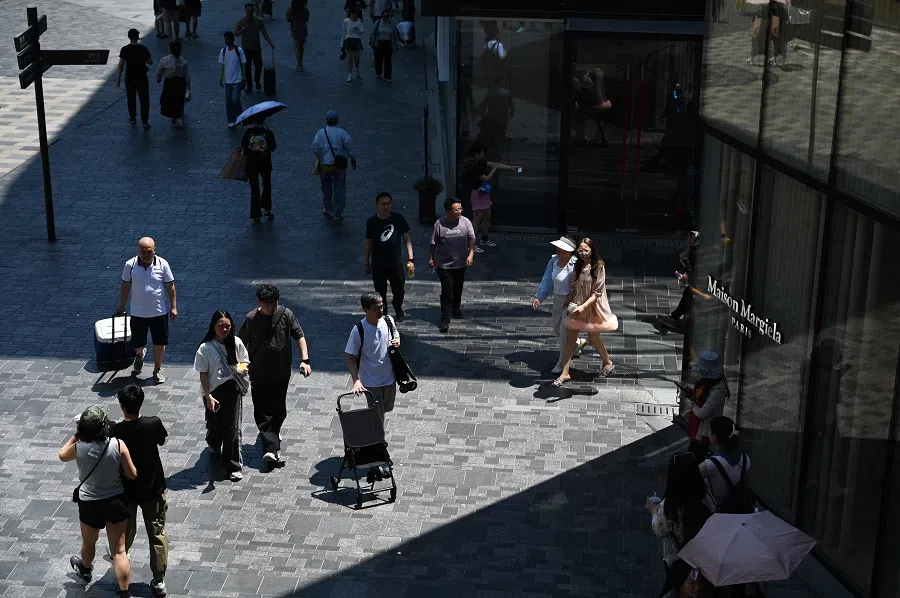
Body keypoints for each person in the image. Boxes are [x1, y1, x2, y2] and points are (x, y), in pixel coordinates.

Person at [59, 406, 138, 598]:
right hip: (116, 501)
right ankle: (124, 591)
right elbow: (132, 474)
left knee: (89, 543)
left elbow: (62, 455)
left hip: (90, 503)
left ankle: (85, 570)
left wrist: (76, 435)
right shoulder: (117, 444)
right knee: (119, 551)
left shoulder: (79, 447)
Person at [237, 284, 311, 465]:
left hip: (281, 373)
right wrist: (240, 368)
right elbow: (239, 344)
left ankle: (272, 436)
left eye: (274, 303)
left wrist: (305, 360)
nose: (271, 307)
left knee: (279, 410)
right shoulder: (251, 319)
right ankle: (270, 449)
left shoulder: (285, 314)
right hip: (259, 373)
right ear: (259, 302)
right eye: (266, 304)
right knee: (262, 411)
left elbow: (299, 335)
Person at [113, 386, 169, 598]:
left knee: (123, 537)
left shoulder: (116, 431)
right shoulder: (153, 423)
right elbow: (161, 440)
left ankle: (122, 575)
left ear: (122, 406)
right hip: (153, 489)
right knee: (156, 533)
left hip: (126, 491)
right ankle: (159, 580)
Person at [552, 238, 617, 386]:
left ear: (592, 250)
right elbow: (574, 285)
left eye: (586, 250)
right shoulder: (577, 265)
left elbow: (597, 293)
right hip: (577, 306)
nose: (583, 253)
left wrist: (584, 306)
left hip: (591, 308)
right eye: (580, 250)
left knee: (594, 338)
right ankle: (565, 372)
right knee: (569, 340)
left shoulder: (598, 267)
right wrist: (569, 299)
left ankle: (607, 361)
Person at [194, 310, 250, 482]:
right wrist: (208, 395)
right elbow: (203, 374)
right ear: (213, 327)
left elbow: (245, 363)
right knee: (214, 423)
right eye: (220, 326)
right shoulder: (206, 348)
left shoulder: (237, 343)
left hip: (232, 390)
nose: (224, 329)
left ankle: (233, 465)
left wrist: (236, 368)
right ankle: (213, 443)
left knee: (232, 428)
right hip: (213, 392)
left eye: (227, 326)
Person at [117, 237, 177, 385]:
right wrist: (122, 306)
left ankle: (157, 369)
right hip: (138, 313)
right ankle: (140, 354)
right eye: (142, 251)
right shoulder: (130, 265)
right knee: (138, 343)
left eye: (148, 251)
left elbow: (170, 286)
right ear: (138, 251)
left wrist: (173, 306)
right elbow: (125, 286)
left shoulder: (163, 264)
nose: (145, 254)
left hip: (159, 312)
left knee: (159, 342)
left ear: (154, 250)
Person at [646, 454, 714, 570]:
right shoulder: (706, 496)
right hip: (703, 555)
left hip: (679, 560)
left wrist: (652, 510)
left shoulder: (669, 505)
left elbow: (659, 530)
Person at [531, 236, 587, 375]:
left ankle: (561, 363)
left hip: (571, 302)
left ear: (569, 251)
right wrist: (539, 296)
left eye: (562, 248)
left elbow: (581, 285)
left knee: (563, 334)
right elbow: (547, 279)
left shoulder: (576, 264)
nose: (558, 250)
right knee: (556, 328)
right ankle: (577, 342)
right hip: (557, 299)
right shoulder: (553, 261)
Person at [345, 292, 401, 427]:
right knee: (377, 414)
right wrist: (356, 380)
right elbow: (351, 358)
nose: (380, 310)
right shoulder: (358, 330)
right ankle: (378, 441)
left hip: (389, 379)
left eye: (382, 306)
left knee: (386, 409)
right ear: (365, 310)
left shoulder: (388, 320)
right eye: (376, 308)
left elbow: (395, 333)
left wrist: (397, 340)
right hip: (371, 382)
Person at [461, 141, 520, 252]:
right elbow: (486, 178)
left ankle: (484, 239)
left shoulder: (481, 161)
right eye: (482, 152)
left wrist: (510, 167)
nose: (484, 154)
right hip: (476, 193)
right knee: (477, 218)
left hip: (483, 192)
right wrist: (494, 170)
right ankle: (471, 244)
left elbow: (493, 164)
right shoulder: (472, 165)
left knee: (487, 215)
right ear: (476, 154)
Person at [429, 198, 476, 334]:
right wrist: (431, 257)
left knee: (458, 287)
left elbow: (472, 239)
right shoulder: (439, 224)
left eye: (461, 208)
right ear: (448, 211)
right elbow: (433, 243)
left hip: (461, 264)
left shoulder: (466, 222)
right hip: (444, 265)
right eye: (457, 209)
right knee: (447, 291)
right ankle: (445, 318)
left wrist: (471, 254)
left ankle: (456, 308)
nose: (460, 211)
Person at [365, 192, 414, 321]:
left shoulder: (398, 219)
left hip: (395, 264)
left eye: (388, 204)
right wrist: (366, 262)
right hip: (378, 265)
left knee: (399, 289)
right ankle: (384, 314)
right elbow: (368, 243)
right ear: (377, 205)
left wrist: (411, 258)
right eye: (383, 204)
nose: (386, 206)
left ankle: (397, 306)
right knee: (380, 292)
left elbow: (406, 238)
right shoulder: (372, 222)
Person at [682, 351, 729, 462]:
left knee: (695, 460)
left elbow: (702, 414)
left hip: (704, 433)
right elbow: (700, 400)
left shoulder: (718, 390)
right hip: (697, 428)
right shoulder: (706, 381)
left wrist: (692, 402)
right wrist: (691, 395)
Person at [311, 110, 357, 222]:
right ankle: (337, 213)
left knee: (326, 187)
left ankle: (327, 208)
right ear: (337, 120)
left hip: (325, 165)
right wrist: (352, 158)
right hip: (339, 165)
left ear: (326, 120)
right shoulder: (342, 133)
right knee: (339, 188)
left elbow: (314, 147)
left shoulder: (320, 133)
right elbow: (350, 146)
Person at [699, 416, 751, 509]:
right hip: (741, 508)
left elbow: (689, 479)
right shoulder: (745, 458)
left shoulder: (710, 464)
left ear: (714, 437)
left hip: (718, 512)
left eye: (710, 430)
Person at [241, 116, 277, 222]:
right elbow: (273, 148)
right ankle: (267, 208)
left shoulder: (248, 132)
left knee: (254, 188)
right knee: (266, 184)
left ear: (253, 121)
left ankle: (255, 213)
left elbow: (243, 146)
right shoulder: (268, 133)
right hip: (265, 164)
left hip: (251, 164)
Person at [116, 29, 153, 130]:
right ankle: (144, 121)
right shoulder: (143, 48)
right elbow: (150, 62)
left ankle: (133, 118)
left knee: (131, 99)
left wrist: (118, 78)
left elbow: (120, 65)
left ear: (129, 37)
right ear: (137, 37)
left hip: (129, 77)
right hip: (141, 77)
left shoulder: (124, 49)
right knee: (144, 99)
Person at [235, 3, 275, 94]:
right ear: (245, 11)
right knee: (247, 68)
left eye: (251, 11)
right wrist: (241, 31)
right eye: (248, 11)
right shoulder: (241, 22)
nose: (249, 13)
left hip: (256, 48)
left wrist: (270, 43)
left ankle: (257, 80)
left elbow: (264, 33)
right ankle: (249, 85)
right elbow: (235, 33)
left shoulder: (258, 21)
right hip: (246, 49)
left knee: (258, 66)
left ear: (253, 11)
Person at [156, 40, 190, 128]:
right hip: (180, 83)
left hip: (169, 83)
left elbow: (159, 72)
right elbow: (187, 76)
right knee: (179, 100)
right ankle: (178, 115)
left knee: (170, 100)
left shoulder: (164, 60)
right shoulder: (183, 61)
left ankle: (176, 118)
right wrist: (188, 89)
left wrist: (159, 79)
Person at [219, 31, 248, 128]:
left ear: (233, 39)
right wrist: (221, 77)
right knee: (228, 102)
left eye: (228, 39)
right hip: (228, 81)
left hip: (237, 80)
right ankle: (231, 120)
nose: (227, 41)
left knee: (235, 100)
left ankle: (240, 116)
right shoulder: (223, 51)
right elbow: (222, 65)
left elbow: (244, 63)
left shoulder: (239, 50)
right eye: (226, 39)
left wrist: (243, 77)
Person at [371, 9, 397, 82]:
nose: (385, 18)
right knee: (378, 60)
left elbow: (395, 36)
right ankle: (378, 73)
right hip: (379, 43)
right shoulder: (378, 23)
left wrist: (396, 46)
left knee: (388, 61)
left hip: (388, 43)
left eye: (387, 16)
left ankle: (388, 76)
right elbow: (373, 33)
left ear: (389, 16)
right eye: (384, 16)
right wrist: (373, 43)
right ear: (381, 16)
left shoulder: (392, 24)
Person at [342, 10, 365, 82]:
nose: (355, 14)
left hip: (357, 40)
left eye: (356, 13)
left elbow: (362, 31)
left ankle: (357, 68)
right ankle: (349, 75)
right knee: (350, 58)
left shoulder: (359, 21)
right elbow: (344, 33)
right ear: (350, 13)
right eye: (353, 13)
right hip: (349, 40)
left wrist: (357, 30)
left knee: (357, 58)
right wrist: (341, 45)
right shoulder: (346, 21)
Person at [288, 0, 310, 71]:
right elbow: (307, 19)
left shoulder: (291, 9)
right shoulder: (305, 9)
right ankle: (301, 63)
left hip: (294, 29)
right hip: (303, 29)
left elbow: (288, 19)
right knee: (301, 47)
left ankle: (300, 65)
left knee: (297, 47)